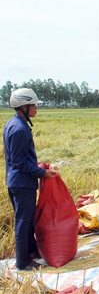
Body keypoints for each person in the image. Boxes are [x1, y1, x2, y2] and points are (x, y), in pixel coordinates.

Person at [3, 88, 57, 270]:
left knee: (26, 219)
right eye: (33, 105)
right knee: (23, 221)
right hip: (22, 183)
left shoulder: (13, 123)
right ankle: (23, 262)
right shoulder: (19, 129)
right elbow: (18, 162)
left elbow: (18, 158)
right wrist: (42, 173)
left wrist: (37, 164)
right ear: (23, 106)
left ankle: (31, 252)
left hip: (16, 180)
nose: (36, 108)